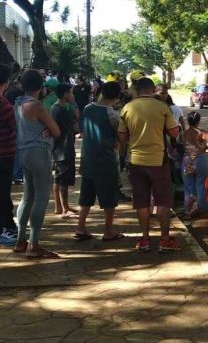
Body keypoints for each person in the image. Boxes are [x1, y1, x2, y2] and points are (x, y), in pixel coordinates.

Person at [118, 77, 181, 253]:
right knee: (162, 201)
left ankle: (145, 239)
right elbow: (174, 133)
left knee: (141, 202)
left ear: (137, 90)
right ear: (152, 90)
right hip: (158, 160)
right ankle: (165, 239)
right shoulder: (162, 107)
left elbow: (122, 137)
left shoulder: (127, 108)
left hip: (136, 160)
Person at [13, 69, 61, 258]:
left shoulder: (18, 103)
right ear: (41, 87)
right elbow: (56, 130)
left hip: (24, 151)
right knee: (41, 198)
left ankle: (20, 241)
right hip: (39, 152)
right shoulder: (37, 105)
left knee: (27, 197)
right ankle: (34, 243)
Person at [74, 81, 124, 241]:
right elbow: (121, 136)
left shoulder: (88, 109)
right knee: (109, 198)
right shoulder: (112, 114)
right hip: (106, 160)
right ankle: (108, 230)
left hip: (88, 159)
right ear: (117, 96)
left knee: (86, 196)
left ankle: (81, 227)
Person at [51, 83, 80, 219]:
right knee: (63, 178)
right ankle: (64, 208)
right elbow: (74, 127)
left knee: (58, 177)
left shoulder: (55, 108)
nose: (72, 95)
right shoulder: (62, 110)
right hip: (64, 148)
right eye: (71, 93)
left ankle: (60, 206)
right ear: (65, 94)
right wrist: (75, 111)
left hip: (58, 148)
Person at [180, 111, 208, 219]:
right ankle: (202, 209)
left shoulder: (183, 134)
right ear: (198, 121)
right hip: (200, 159)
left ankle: (188, 211)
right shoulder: (201, 132)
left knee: (188, 187)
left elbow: (178, 145)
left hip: (187, 160)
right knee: (201, 184)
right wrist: (204, 148)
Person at [0, 64, 19, 246]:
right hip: (4, 155)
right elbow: (15, 127)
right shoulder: (4, 105)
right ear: (6, 83)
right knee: (3, 192)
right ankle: (9, 228)